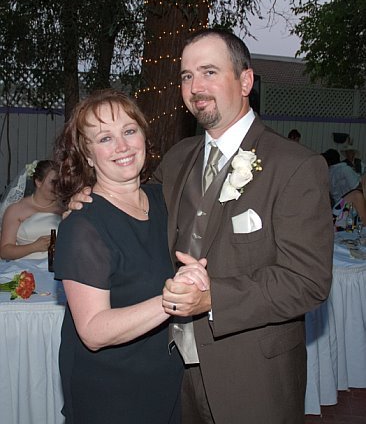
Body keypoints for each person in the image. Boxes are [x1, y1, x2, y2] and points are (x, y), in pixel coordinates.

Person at [69, 30, 334, 423]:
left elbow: (308, 281)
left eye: (209, 71)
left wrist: (215, 300)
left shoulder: (294, 166)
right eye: (186, 76)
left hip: (252, 377)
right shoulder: (178, 159)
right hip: (173, 375)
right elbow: (131, 202)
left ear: (245, 81)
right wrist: (86, 197)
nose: (195, 87)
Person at [52, 90, 188, 424]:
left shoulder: (162, 199)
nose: (122, 146)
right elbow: (94, 331)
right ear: (88, 154)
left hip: (166, 377)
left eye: (129, 131)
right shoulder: (83, 225)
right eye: (105, 138)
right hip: (111, 392)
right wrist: (174, 300)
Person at [0, 160, 63, 260]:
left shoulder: (64, 208)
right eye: (53, 182)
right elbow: (4, 251)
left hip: (58, 266)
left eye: (61, 182)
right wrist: (34, 247)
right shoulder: (16, 209)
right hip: (26, 267)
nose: (58, 187)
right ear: (38, 182)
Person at [322, 148, 366, 227]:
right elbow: (356, 186)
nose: (350, 154)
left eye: (351, 152)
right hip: (350, 207)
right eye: (348, 152)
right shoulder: (345, 169)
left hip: (339, 208)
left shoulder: (329, 172)